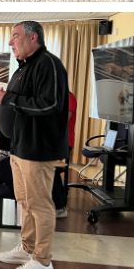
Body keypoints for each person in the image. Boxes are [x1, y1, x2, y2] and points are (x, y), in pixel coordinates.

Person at [0, 20, 70, 269]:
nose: (10, 41)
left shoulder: (48, 64)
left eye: (15, 36)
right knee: (24, 201)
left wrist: (8, 99)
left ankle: (43, 262)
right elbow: (19, 106)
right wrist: (2, 103)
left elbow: (51, 105)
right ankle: (27, 248)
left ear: (33, 37)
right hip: (19, 148)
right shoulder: (24, 67)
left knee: (39, 205)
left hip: (37, 151)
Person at [53, 90, 78, 218]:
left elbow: (63, 121)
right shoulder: (54, 95)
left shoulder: (68, 97)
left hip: (63, 142)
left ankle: (60, 207)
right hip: (52, 141)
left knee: (53, 170)